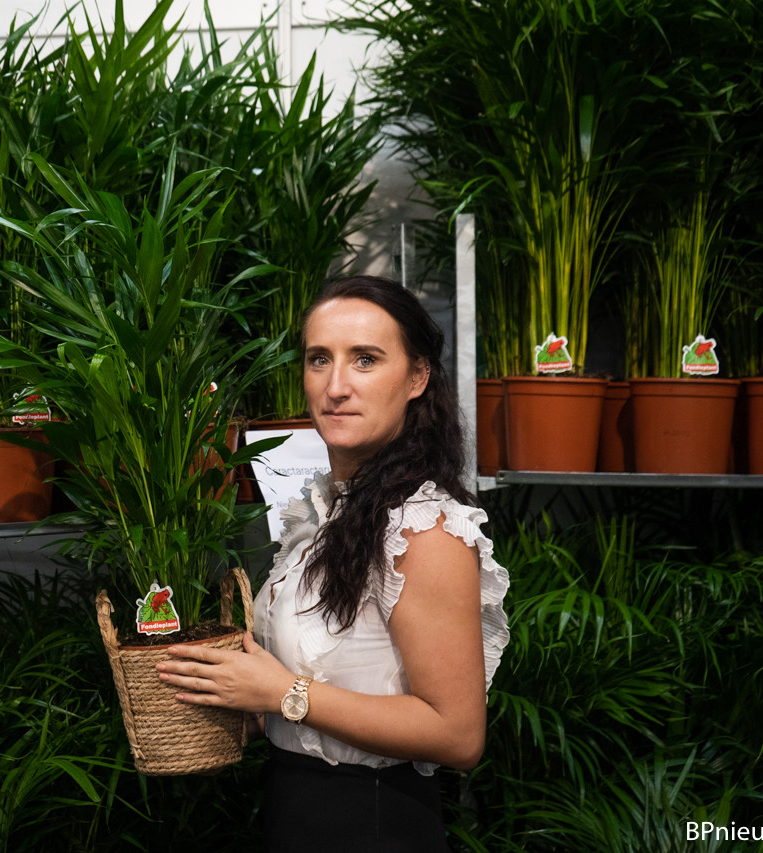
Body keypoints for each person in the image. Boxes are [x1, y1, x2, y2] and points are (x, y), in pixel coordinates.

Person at [156, 275, 510, 851]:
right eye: (319, 359)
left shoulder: (424, 530)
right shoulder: (325, 510)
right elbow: (313, 692)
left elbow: (457, 735)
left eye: (365, 359)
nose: (336, 386)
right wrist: (225, 696)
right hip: (294, 811)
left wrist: (283, 694)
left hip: (374, 824)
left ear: (417, 377)